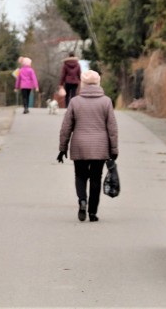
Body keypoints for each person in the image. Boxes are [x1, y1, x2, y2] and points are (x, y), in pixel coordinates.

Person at [56, 70, 118, 222]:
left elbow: (66, 127)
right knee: (96, 178)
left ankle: (82, 200)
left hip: (79, 145)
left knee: (80, 175)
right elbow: (112, 128)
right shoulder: (106, 102)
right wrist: (114, 149)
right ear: (98, 83)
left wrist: (62, 148)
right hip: (100, 146)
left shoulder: (75, 102)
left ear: (82, 84)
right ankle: (92, 212)